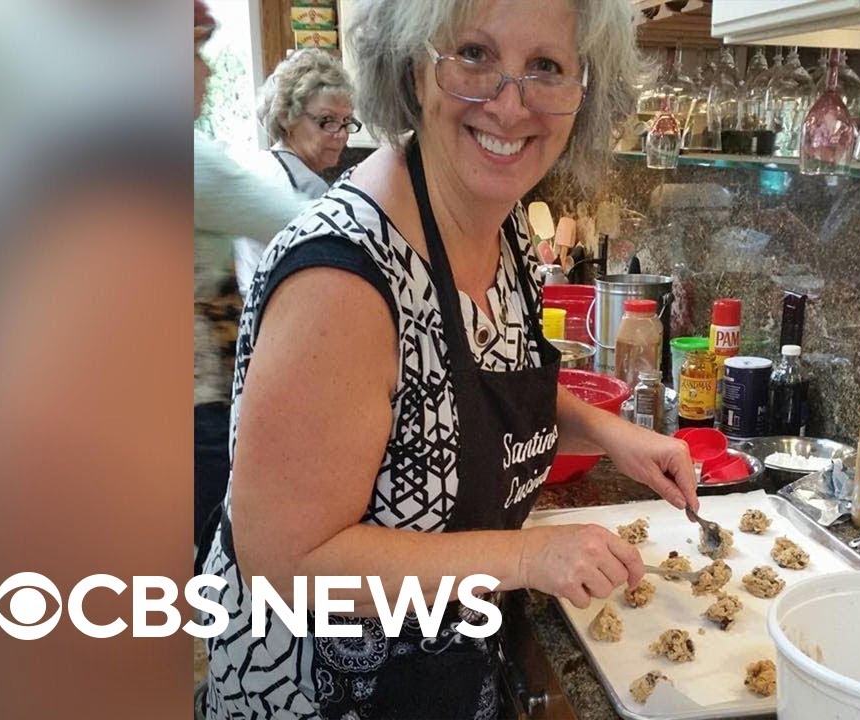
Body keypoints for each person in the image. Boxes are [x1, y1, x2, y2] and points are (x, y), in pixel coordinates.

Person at [199, 1, 696, 717]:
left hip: (441, 671)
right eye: (474, 55)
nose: (509, 103)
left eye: (546, 67)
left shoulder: (505, 224)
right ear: (413, 67)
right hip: (317, 696)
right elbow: (288, 569)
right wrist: (529, 557)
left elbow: (463, 386)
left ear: (584, 94)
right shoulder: (341, 280)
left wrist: (612, 434)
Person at [193, 2, 308, 551]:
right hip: (194, 406)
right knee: (222, 543)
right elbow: (306, 223)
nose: (207, 71)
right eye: (194, 51)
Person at [234, 49, 360, 297]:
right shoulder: (304, 189)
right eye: (327, 120)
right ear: (286, 119)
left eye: (346, 121)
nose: (342, 134)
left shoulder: (263, 164)